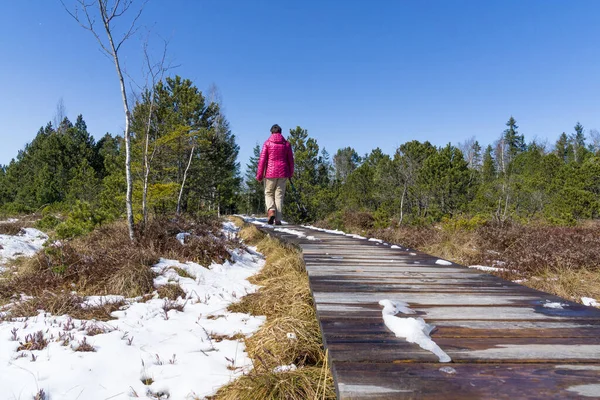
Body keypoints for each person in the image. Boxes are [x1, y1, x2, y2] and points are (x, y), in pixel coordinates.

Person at [256, 124, 294, 225]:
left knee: (268, 193)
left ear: (271, 132)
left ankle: (271, 210)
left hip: (270, 174)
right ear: (280, 132)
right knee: (279, 196)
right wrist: (290, 173)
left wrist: (259, 175)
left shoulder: (267, 143)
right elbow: (291, 160)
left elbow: (262, 160)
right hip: (283, 173)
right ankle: (278, 219)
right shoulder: (286, 144)